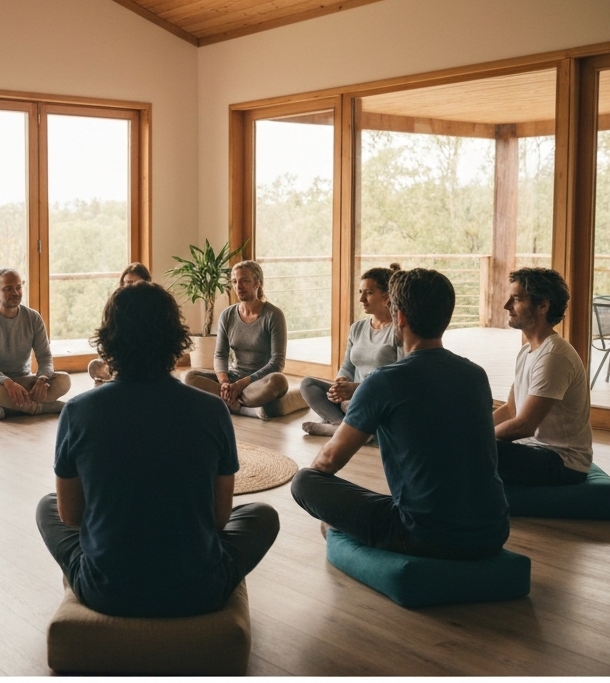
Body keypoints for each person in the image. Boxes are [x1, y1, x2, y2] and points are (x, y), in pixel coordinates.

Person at [37, 281, 279, 617]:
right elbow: (220, 518)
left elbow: (71, 517)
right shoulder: (211, 410)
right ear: (175, 339)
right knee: (261, 515)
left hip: (106, 591)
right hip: (199, 590)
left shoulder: (78, 411)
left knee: (47, 507)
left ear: (109, 340)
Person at [290, 267, 509, 559]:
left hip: (423, 534)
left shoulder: (384, 381)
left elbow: (329, 461)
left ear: (400, 317)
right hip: (494, 530)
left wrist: (333, 505)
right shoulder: (475, 375)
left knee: (304, 482)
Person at [494, 267, 593, 486]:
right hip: (535, 451)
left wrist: (477, 439)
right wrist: (473, 430)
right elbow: (511, 410)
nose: (507, 306)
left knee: (474, 453)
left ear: (542, 306)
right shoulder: (527, 351)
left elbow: (524, 425)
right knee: (468, 447)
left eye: (516, 299)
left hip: (563, 462)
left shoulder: (554, 355)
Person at [301, 264, 401, 436]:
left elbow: (398, 379)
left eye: (368, 293)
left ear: (386, 297)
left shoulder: (398, 331)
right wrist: (340, 383)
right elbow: (347, 366)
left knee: (355, 403)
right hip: (350, 399)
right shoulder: (357, 328)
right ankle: (343, 427)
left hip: (376, 398)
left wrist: (356, 389)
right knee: (308, 384)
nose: (361, 299)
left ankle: (345, 428)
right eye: (360, 292)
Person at [183, 259, 288, 420]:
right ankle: (240, 406)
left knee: (278, 381)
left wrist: (242, 384)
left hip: (258, 382)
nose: (238, 286)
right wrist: (224, 382)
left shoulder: (273, 315)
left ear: (257, 284)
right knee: (190, 377)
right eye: (234, 281)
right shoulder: (227, 315)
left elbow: (277, 363)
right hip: (234, 377)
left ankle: (228, 402)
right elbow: (220, 355)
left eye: (245, 281)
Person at [0, 267, 71, 420]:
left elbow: (45, 357)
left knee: (64, 380)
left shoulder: (33, 317)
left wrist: (43, 379)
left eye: (18, 287)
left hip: (24, 381)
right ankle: (37, 408)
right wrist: (7, 382)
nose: (15, 293)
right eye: (8, 289)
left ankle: (5, 406)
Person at [87, 263, 152, 385]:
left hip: (147, 359)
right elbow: (107, 337)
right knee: (95, 367)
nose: (130, 287)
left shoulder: (155, 307)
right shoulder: (115, 307)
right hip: (121, 359)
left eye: (135, 283)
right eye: (128, 283)